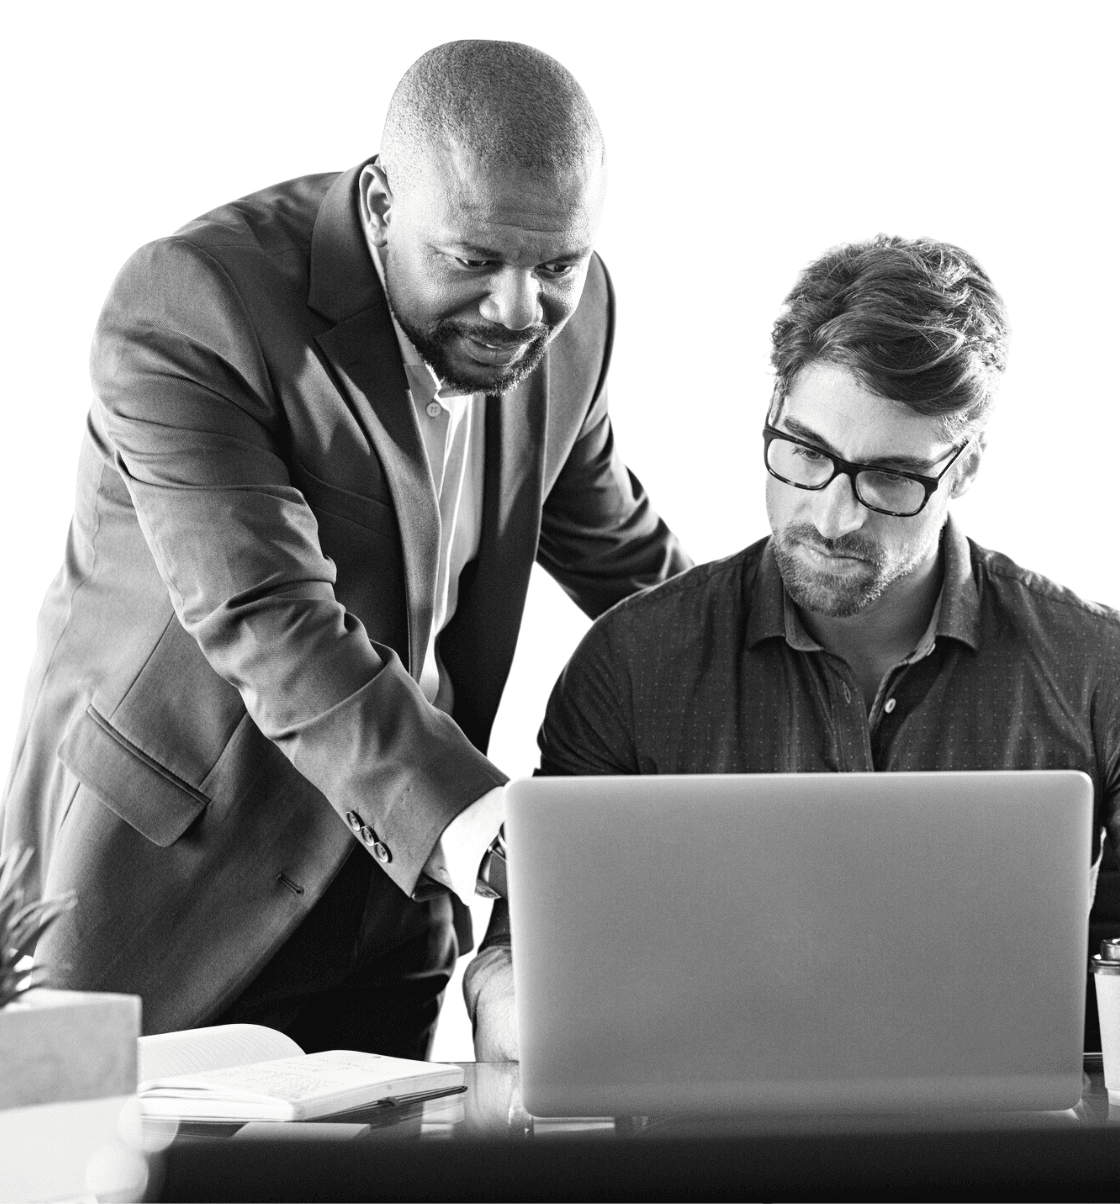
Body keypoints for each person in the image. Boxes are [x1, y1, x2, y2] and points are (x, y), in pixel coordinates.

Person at [467, 235, 1120, 1107]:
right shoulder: (633, 666)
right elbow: (516, 962)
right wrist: (522, 1013)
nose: (830, 514)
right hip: (713, 1172)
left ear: (963, 466)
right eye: (804, 453)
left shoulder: (1094, 668)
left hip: (1024, 1172)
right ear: (772, 413)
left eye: (889, 478)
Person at [0, 41, 688, 1057]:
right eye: (472, 261)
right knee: (107, 1147)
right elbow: (267, 615)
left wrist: (787, 682)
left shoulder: (574, 324)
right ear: (379, 205)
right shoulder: (192, 302)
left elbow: (630, 567)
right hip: (165, 877)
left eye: (556, 266)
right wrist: (481, 823)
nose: (519, 309)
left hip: (392, 896)